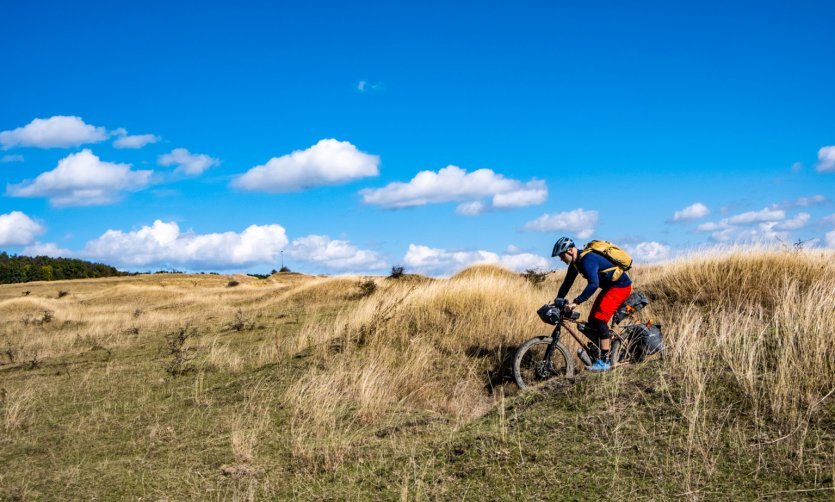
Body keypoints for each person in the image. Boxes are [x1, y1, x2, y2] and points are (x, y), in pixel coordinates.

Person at [551, 236, 632, 372]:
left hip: (620, 287)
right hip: (610, 288)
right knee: (592, 321)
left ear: (570, 250)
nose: (561, 259)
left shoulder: (587, 259)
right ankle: (607, 345)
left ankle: (605, 362)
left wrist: (576, 302)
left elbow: (593, 284)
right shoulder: (576, 264)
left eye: (561, 255)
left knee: (600, 318)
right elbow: (567, 284)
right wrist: (557, 300)